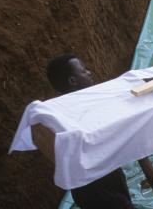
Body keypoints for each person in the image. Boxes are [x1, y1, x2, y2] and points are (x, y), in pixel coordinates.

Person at [45, 55, 135, 209]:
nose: (89, 72)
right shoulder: (69, 117)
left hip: (103, 180)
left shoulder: (76, 108)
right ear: (73, 81)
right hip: (96, 189)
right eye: (83, 71)